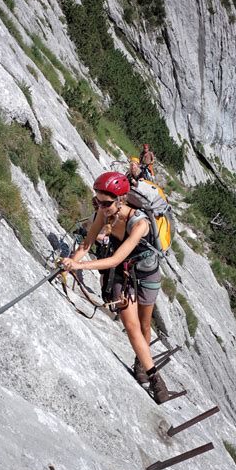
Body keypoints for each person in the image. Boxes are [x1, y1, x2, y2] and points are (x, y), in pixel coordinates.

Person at [61, 172, 171, 404]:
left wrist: (79, 265)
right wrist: (71, 261)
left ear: (121, 200)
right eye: (98, 201)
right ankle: (155, 379)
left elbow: (114, 259)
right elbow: (86, 243)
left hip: (146, 272)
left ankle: (141, 362)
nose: (101, 206)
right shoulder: (104, 213)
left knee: (144, 324)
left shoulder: (139, 223)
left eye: (106, 203)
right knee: (131, 326)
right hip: (124, 271)